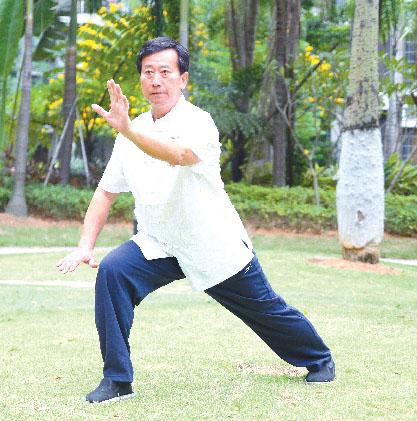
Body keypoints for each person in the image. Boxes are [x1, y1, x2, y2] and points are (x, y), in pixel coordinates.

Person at [56, 37, 335, 404]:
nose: (156, 80)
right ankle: (117, 379)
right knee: (113, 272)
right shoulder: (131, 130)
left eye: (165, 72)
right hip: (160, 243)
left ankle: (319, 358)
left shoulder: (198, 122)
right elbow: (106, 192)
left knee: (265, 310)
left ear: (183, 78)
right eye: (148, 72)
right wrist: (85, 245)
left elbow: (179, 154)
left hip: (211, 243)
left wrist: (129, 131)